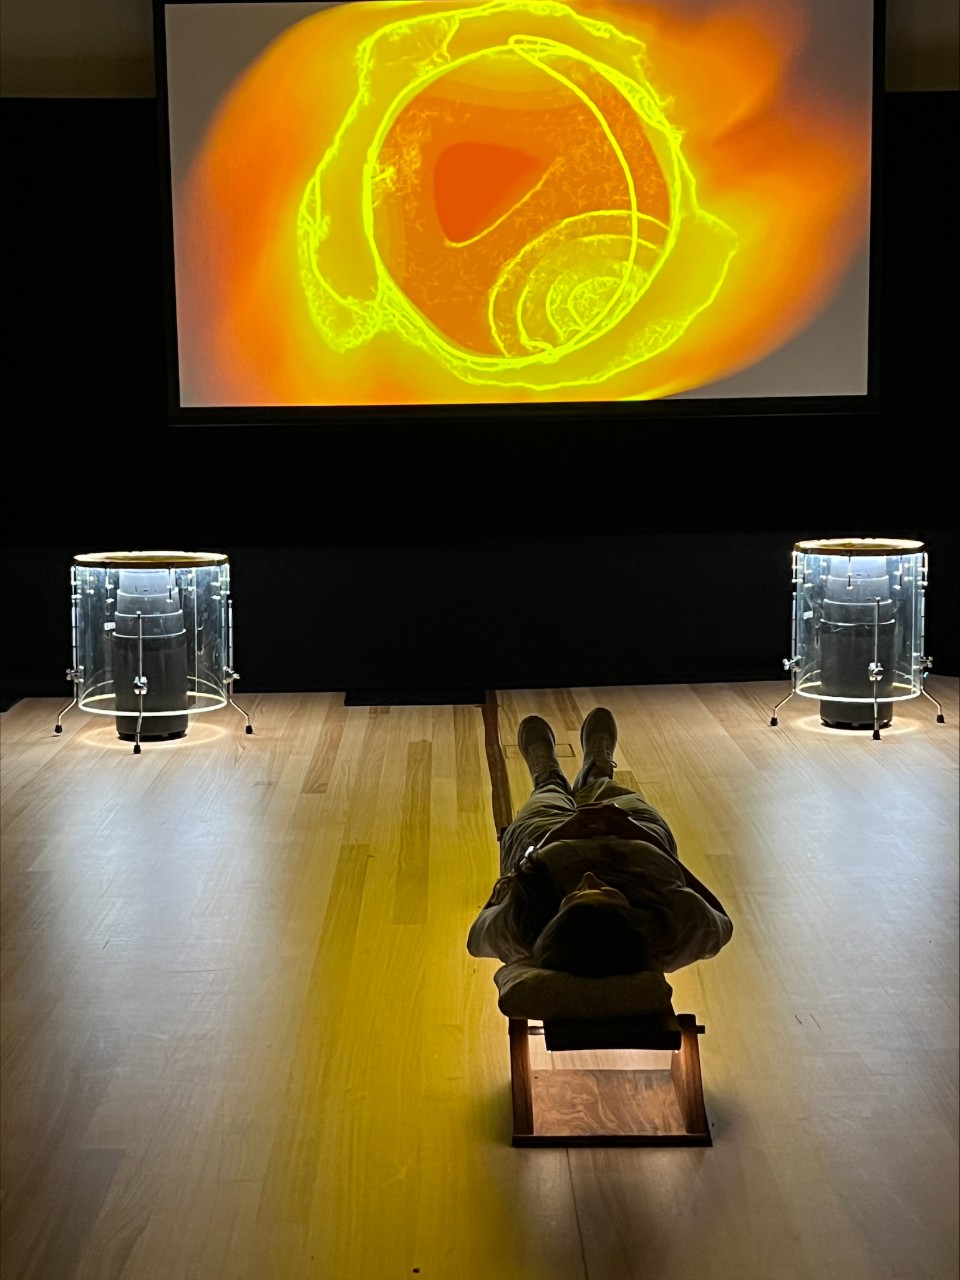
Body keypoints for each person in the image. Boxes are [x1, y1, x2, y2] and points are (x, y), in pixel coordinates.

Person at [467, 708, 733, 977]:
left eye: (575, 894)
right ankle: (596, 773)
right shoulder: (676, 931)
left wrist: (554, 837)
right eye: (607, 891)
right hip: (632, 837)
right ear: (636, 921)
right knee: (613, 794)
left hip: (544, 839)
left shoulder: (520, 927)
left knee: (546, 800)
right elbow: (722, 919)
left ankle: (548, 778)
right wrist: (642, 835)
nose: (590, 878)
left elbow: (482, 924)